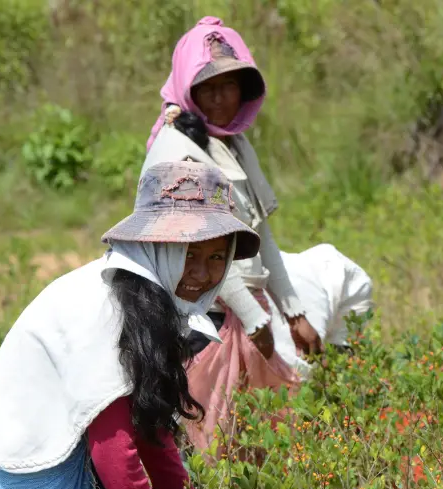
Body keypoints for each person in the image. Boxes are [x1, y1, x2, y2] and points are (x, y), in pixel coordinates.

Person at [0, 160, 260, 489]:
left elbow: (151, 428)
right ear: (155, 247)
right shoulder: (106, 312)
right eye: (188, 254)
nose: (202, 274)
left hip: (57, 456)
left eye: (217, 258)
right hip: (24, 479)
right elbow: (114, 450)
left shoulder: (148, 301)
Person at [143, 16, 374, 455]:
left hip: (244, 307)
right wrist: (253, 317)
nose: (219, 97)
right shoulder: (177, 152)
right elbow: (201, 253)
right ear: (186, 88)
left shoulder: (233, 144)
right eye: (207, 86)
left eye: (229, 85)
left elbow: (258, 233)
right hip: (199, 315)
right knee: (206, 438)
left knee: (248, 437)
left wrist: (291, 311)